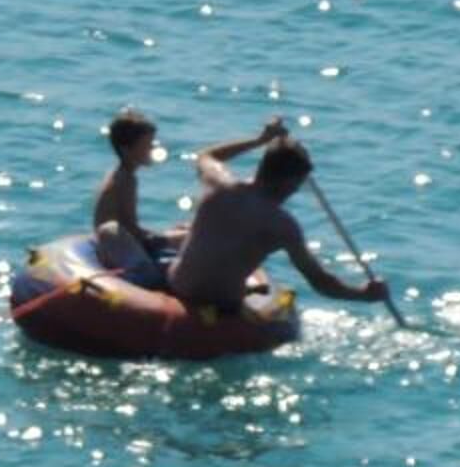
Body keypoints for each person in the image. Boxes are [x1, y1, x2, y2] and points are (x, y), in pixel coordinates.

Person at [167, 120, 392, 318]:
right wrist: (364, 294)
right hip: (223, 305)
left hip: (178, 287)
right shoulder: (283, 226)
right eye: (298, 184)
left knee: (184, 233)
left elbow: (206, 156)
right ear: (290, 182)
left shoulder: (219, 185)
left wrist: (259, 140)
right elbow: (320, 281)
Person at [91, 109, 182, 286]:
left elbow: (129, 227)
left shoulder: (121, 175)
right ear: (126, 150)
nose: (152, 149)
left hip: (120, 242)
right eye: (147, 145)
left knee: (183, 231)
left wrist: (165, 236)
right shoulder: (125, 181)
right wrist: (165, 238)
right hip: (118, 251)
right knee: (188, 237)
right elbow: (131, 230)